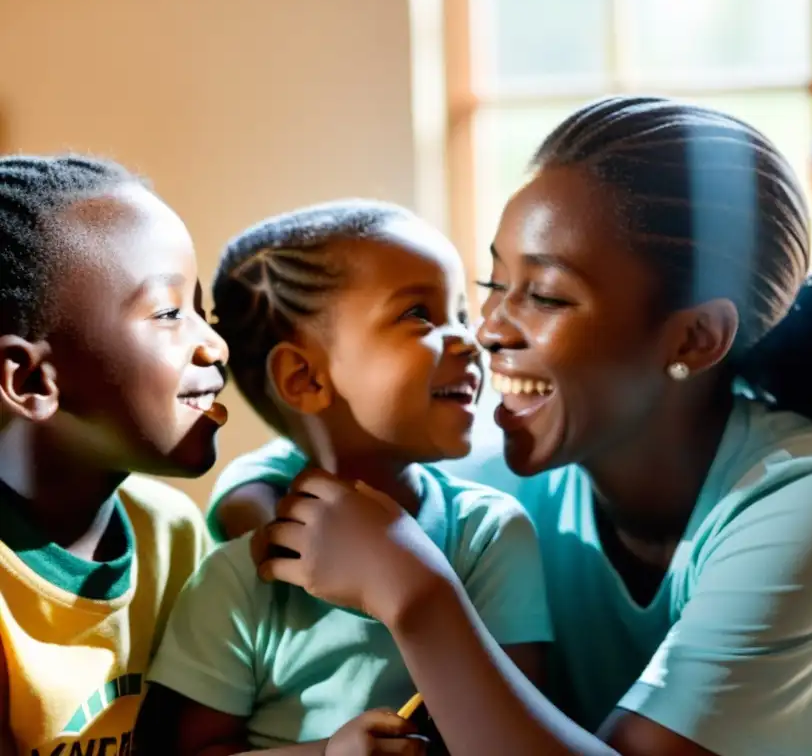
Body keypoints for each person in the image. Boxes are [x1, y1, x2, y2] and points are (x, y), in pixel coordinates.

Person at [211, 98, 812, 755]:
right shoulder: (520, 471)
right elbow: (334, 459)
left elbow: (399, 567)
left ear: (694, 338)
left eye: (548, 294)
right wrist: (257, 501)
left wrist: (418, 597)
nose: (487, 329)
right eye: (494, 281)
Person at [132, 201, 552, 754]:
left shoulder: (489, 536)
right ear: (304, 378)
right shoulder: (241, 578)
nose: (470, 340)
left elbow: (515, 733)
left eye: (460, 314)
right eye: (419, 315)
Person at [0, 155, 227, 754]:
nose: (214, 345)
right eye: (171, 314)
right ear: (32, 382)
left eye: (202, 311)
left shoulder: (172, 534)